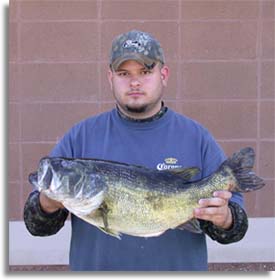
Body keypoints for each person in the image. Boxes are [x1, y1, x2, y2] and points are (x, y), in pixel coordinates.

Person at [24, 30, 248, 271]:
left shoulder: (196, 137)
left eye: (145, 71)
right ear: (110, 77)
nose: (134, 82)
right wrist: (47, 203)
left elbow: (235, 229)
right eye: (124, 73)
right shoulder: (81, 136)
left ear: (163, 74)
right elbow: (36, 226)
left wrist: (225, 219)